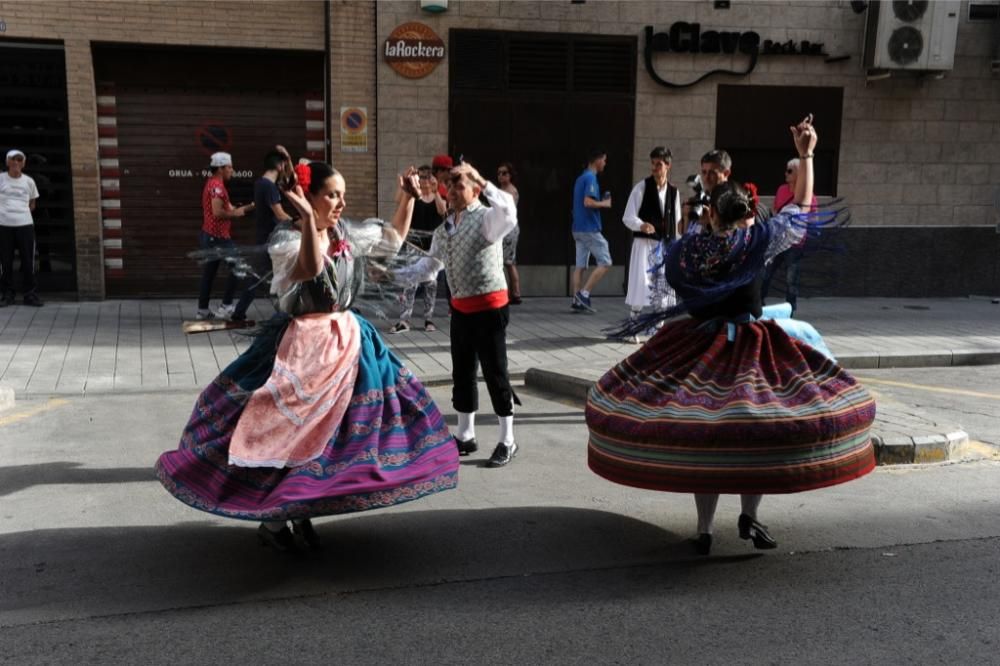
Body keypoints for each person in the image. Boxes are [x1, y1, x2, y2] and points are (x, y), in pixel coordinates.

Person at [586, 116, 876, 556]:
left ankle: (705, 530)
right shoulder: (760, 239)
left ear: (713, 212)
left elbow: (674, 280)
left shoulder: (692, 247)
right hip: (751, 349)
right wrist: (807, 154)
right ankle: (749, 517)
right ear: (748, 209)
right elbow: (800, 205)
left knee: (709, 439)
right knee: (754, 435)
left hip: (698, 349)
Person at [156, 161, 458, 552]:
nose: (341, 202)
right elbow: (311, 267)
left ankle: (299, 512)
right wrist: (307, 223)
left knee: (342, 435)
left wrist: (407, 198)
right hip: (301, 347)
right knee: (293, 433)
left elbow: (392, 241)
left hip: (349, 341)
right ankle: (279, 519)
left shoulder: (345, 231)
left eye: (341, 194)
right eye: (332, 194)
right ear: (307, 196)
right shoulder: (287, 240)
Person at [429, 162, 520, 467]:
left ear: (476, 190)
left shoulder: (487, 218)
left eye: (460, 185)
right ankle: (465, 435)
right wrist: (393, 274)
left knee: (496, 373)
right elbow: (429, 267)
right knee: (463, 373)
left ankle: (508, 439)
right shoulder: (444, 229)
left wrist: (482, 176)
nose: (453, 190)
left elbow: (509, 211)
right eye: (450, 185)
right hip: (461, 309)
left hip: (490, 308)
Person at [231, 146, 295, 322]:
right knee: (273, 277)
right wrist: (300, 223)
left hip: (264, 236)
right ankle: (285, 313)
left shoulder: (260, 183)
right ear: (280, 166)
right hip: (271, 240)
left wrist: (287, 157)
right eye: (284, 164)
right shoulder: (269, 187)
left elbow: (291, 178)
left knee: (262, 277)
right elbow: (280, 214)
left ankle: (240, 312)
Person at [621, 146, 681, 335]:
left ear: (668, 166)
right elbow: (628, 216)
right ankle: (633, 325)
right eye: (653, 163)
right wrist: (641, 225)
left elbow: (676, 220)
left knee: (662, 286)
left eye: (659, 164)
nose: (654, 168)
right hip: (644, 245)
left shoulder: (674, 192)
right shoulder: (641, 187)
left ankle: (657, 330)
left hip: (664, 245)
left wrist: (676, 245)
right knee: (641, 283)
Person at [195, 152, 254, 320]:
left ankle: (203, 310)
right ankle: (226, 305)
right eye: (229, 167)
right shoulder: (217, 186)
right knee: (238, 267)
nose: (232, 170)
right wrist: (236, 214)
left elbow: (227, 208)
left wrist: (248, 207)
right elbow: (218, 213)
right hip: (218, 237)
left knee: (209, 273)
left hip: (211, 235)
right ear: (220, 168)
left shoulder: (214, 184)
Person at [389, 164, 446, 333]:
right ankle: (404, 320)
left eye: (427, 177)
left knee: (431, 284)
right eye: (420, 177)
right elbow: (398, 200)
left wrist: (436, 192)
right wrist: (406, 182)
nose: (424, 181)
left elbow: (443, 211)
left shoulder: (438, 194)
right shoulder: (414, 195)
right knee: (410, 282)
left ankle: (428, 319)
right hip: (413, 245)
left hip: (432, 247)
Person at [761, 157, 818, 314]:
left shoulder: (809, 195)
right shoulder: (781, 190)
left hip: (795, 242)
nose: (786, 173)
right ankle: (759, 301)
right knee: (766, 272)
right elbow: (775, 208)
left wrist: (801, 228)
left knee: (791, 278)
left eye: (790, 171)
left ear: (799, 174)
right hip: (778, 239)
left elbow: (813, 217)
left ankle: (791, 309)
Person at [570, 149, 613, 313]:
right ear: (597, 160)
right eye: (604, 160)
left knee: (580, 265)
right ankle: (584, 294)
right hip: (589, 228)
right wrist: (605, 203)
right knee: (606, 261)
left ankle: (576, 299)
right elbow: (588, 202)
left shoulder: (581, 178)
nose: (605, 163)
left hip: (578, 228)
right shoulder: (590, 178)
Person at [0, 149, 42, 307]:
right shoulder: (1, 179)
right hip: (3, 225)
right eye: (13, 159)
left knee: (28, 260)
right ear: (7, 162)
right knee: (5, 261)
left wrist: (19, 214)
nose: (16, 163)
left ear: (23, 163)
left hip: (24, 225)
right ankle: (7, 294)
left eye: (19, 160)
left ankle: (30, 295)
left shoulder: (29, 181)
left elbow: (32, 204)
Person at [497, 162, 522, 304]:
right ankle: (515, 293)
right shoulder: (502, 189)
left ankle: (512, 293)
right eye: (499, 173)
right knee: (509, 262)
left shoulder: (511, 191)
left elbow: (507, 210)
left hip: (508, 229)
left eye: (504, 173)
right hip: (504, 228)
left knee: (506, 262)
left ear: (510, 175)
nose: (501, 176)